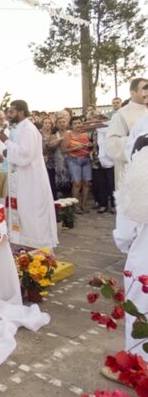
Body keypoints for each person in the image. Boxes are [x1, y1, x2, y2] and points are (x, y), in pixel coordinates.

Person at [0, 100, 58, 249]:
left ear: (21, 112)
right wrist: (8, 151)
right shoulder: (18, 128)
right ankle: (24, 242)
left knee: (31, 212)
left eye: (12, 111)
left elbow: (26, 154)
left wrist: (6, 142)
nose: (9, 115)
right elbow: (18, 150)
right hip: (21, 178)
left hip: (31, 179)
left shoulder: (29, 129)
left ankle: (36, 244)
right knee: (23, 211)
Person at [112, 133, 148, 364]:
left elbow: (124, 236)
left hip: (143, 260)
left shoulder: (136, 183)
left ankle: (140, 365)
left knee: (139, 313)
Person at [105, 77, 148, 184]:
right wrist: (138, 143)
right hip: (133, 173)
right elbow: (111, 144)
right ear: (133, 93)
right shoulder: (121, 114)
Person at [61, 116, 93, 213]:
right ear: (71, 125)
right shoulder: (68, 135)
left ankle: (84, 205)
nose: (77, 125)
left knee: (86, 183)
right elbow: (63, 150)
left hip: (86, 159)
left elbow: (92, 146)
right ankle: (76, 206)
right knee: (77, 183)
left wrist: (91, 145)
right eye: (75, 123)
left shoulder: (86, 134)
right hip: (74, 160)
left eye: (79, 123)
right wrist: (75, 148)